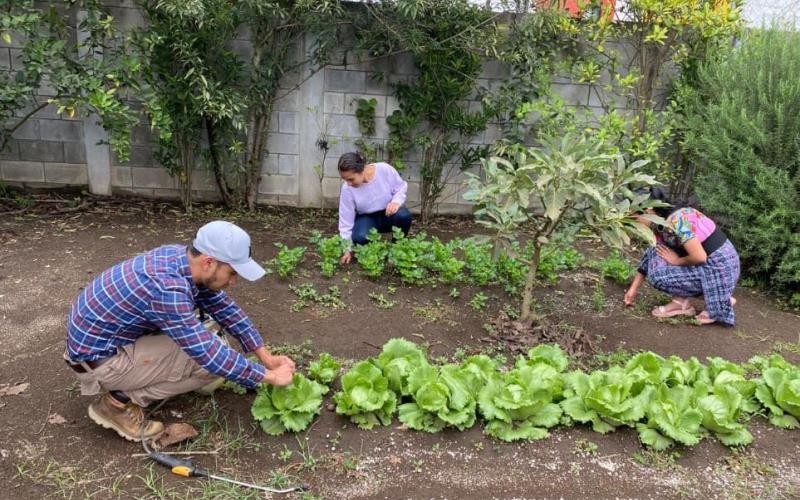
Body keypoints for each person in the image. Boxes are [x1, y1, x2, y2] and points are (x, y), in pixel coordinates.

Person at [64, 220, 296, 442]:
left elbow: (225, 308)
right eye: (233, 273)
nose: (234, 281)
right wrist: (269, 376)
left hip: (109, 342)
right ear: (208, 262)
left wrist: (265, 357)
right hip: (101, 362)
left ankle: (138, 382)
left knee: (210, 338)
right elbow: (208, 353)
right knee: (209, 365)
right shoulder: (167, 289)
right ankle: (116, 403)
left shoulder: (180, 258)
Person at [623, 188, 740, 326]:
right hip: (708, 263)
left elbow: (700, 256)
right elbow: (652, 252)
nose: (635, 224)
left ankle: (720, 300)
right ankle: (683, 302)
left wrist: (677, 261)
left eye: (635, 218)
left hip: (719, 267)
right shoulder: (662, 222)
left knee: (658, 276)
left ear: (648, 210)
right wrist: (633, 289)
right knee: (657, 251)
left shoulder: (677, 221)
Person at [337, 152, 412, 264]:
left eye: (351, 179)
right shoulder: (347, 189)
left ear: (362, 170)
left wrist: (396, 201)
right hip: (367, 218)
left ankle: (397, 249)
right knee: (360, 237)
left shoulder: (384, 170)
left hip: (388, 214)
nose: (348, 183)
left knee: (403, 216)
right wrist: (347, 249)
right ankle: (373, 251)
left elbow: (400, 187)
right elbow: (345, 221)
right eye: (345, 180)